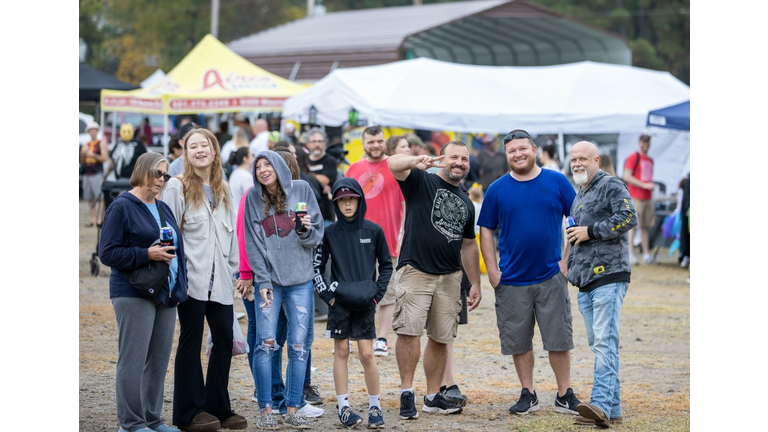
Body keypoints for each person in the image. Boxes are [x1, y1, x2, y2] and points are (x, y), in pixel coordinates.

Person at [477, 129, 581, 417]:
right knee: (518, 341)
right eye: (512, 151)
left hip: (551, 276)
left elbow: (576, 217)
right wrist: (493, 271)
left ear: (534, 150)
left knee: (559, 339)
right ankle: (528, 393)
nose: (518, 154)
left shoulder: (557, 181)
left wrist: (567, 260)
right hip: (511, 280)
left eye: (523, 148)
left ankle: (564, 395)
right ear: (506, 155)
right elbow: (485, 229)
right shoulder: (497, 189)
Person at [387, 140, 482, 420]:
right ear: (442, 159)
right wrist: (415, 161)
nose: (459, 163)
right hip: (416, 269)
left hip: (450, 276)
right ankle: (407, 394)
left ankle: (431, 397)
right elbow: (392, 164)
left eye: (464, 159)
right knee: (408, 333)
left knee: (441, 338)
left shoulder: (467, 202)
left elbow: (468, 245)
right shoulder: (421, 181)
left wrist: (475, 283)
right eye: (454, 157)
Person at [162, 126, 246, 432]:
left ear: (214, 150)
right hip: (192, 278)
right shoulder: (177, 186)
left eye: (204, 145)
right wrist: (176, 273)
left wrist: (234, 268)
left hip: (220, 278)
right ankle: (190, 412)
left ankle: (217, 406)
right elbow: (169, 232)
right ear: (186, 153)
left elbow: (232, 232)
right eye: (193, 146)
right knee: (191, 339)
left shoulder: (223, 187)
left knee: (224, 337)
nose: (200, 150)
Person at [98, 152, 188, 432]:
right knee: (133, 359)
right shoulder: (122, 206)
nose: (162, 179)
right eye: (157, 173)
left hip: (166, 293)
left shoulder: (163, 208)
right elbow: (107, 253)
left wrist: (180, 285)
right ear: (142, 170)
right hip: (132, 292)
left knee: (158, 361)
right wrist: (146, 254)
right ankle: (132, 423)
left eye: (166, 175)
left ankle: (152, 419)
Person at [235, 149, 325, 419]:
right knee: (266, 345)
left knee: (298, 346)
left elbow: (316, 236)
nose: (263, 170)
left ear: (279, 167)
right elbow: (252, 244)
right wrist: (261, 279)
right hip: (269, 283)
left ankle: (293, 407)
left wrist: (305, 230)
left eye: (268, 165)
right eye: (258, 166)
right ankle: (266, 409)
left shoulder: (302, 189)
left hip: (300, 281)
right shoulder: (252, 198)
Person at [564, 141, 637, 428]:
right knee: (599, 344)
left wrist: (591, 231)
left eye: (583, 158)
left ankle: (600, 404)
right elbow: (576, 234)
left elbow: (629, 217)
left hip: (609, 274)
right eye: (573, 159)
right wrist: (570, 266)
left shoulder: (611, 185)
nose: (577, 164)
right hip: (586, 280)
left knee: (605, 342)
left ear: (597, 160)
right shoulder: (580, 193)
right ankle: (613, 410)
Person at [314, 177, 392, 429]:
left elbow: (386, 265)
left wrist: (376, 294)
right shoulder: (329, 233)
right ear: (336, 204)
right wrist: (328, 297)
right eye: (342, 200)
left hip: (365, 302)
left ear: (360, 200)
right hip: (339, 304)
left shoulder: (374, 231)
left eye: (351, 199)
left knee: (367, 354)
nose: (347, 204)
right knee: (341, 352)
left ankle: (375, 407)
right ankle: (344, 407)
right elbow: (316, 267)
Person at [345, 126, 405, 358]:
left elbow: (405, 205)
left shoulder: (395, 167)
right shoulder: (353, 169)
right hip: (356, 241)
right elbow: (344, 205)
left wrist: (403, 235)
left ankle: (382, 339)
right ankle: (355, 334)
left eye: (379, 141)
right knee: (355, 291)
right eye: (371, 142)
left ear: (384, 142)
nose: (376, 145)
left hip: (388, 240)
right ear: (363, 144)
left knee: (387, 292)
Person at [622, 134, 655, 265]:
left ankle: (646, 254)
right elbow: (627, 176)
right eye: (644, 141)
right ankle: (631, 255)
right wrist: (644, 185)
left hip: (647, 197)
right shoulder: (633, 157)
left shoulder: (650, 160)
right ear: (639, 142)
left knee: (645, 226)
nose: (646, 144)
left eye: (648, 141)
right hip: (635, 196)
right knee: (632, 227)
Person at [305, 128, 338, 225]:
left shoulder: (330, 160)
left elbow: (325, 180)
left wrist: (307, 175)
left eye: (320, 141)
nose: (317, 144)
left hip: (326, 213)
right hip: (308, 213)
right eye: (314, 141)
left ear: (325, 143)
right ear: (308, 144)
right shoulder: (305, 160)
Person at [81, 121, 107, 227]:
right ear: (88, 132)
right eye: (91, 130)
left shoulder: (101, 143)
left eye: (94, 130)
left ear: (97, 131)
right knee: (90, 198)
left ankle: (100, 219)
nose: (93, 132)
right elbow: (82, 161)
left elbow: (104, 158)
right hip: (87, 173)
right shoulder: (85, 145)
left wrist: (94, 155)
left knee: (100, 197)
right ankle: (93, 219)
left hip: (97, 173)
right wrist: (83, 154)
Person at [228, 147, 254, 214]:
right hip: (242, 215)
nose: (254, 158)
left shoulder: (235, 173)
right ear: (245, 159)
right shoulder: (246, 177)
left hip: (234, 213)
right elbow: (251, 200)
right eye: (252, 155)